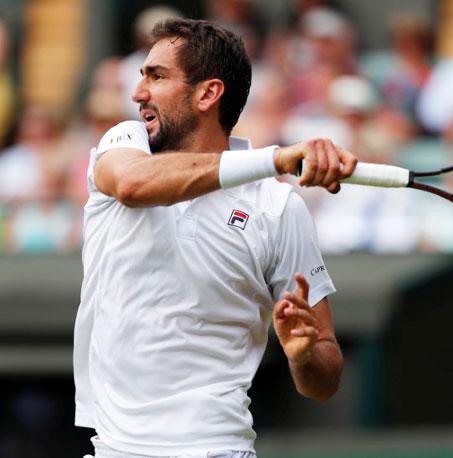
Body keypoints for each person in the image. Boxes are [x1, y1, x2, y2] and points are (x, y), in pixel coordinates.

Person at [73, 18, 357, 458]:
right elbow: (132, 185)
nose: (138, 92)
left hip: (217, 447)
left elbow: (325, 376)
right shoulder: (123, 144)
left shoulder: (278, 208)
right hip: (113, 449)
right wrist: (278, 157)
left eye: (157, 76)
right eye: (142, 74)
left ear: (208, 93)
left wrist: (302, 356)